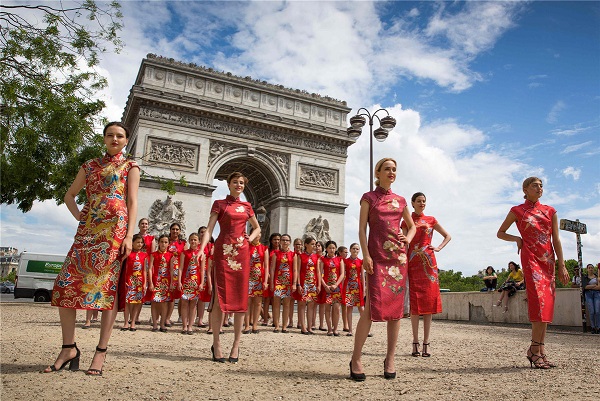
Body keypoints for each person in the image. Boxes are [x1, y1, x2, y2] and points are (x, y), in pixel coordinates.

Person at [44, 121, 140, 376]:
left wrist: (129, 236)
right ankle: (68, 348)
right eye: (110, 135)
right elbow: (69, 195)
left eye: (120, 136)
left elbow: (132, 202)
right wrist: (79, 216)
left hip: (114, 235)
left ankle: (101, 351)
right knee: (65, 285)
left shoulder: (131, 166)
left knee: (107, 290)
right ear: (104, 138)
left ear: (126, 140)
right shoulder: (89, 166)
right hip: (87, 233)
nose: (115, 139)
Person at [351, 157, 415, 381]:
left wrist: (406, 238)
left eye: (394, 169)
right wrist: (366, 255)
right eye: (387, 169)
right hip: (376, 258)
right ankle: (356, 358)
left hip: (398, 260)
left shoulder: (401, 200)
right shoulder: (368, 198)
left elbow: (412, 225)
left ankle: (390, 358)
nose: (392, 172)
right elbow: (361, 230)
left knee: (396, 313)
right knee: (370, 308)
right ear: (377, 173)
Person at [497, 176, 569, 369]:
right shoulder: (517, 211)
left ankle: (539, 350)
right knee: (538, 301)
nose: (539, 189)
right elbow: (500, 232)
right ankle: (534, 350)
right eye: (535, 186)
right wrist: (517, 239)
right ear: (525, 189)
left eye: (541, 186)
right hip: (531, 259)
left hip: (548, 261)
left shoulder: (550, 211)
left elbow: (556, 239)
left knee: (547, 304)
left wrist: (561, 264)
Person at [199, 172, 261, 364]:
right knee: (219, 297)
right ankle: (216, 343)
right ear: (228, 184)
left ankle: (236, 344)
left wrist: (249, 239)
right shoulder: (219, 204)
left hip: (241, 253)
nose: (239, 185)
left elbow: (257, 227)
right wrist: (202, 249)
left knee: (240, 298)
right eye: (235, 182)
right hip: (223, 251)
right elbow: (209, 229)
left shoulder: (247, 206)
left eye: (242, 182)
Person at [401, 192, 451, 358]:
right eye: (419, 201)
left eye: (424, 201)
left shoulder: (431, 219)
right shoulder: (407, 221)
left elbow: (447, 236)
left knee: (429, 303)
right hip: (413, 262)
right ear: (412, 203)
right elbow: (403, 243)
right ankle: (415, 341)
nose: (422, 204)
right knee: (415, 304)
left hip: (429, 264)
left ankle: (426, 343)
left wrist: (438, 247)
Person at [121, 234, 148, 332]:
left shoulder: (144, 255)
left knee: (137, 302)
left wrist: (145, 282)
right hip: (129, 280)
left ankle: (133, 322)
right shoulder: (128, 254)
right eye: (137, 242)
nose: (139, 244)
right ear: (133, 243)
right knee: (127, 302)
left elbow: (145, 270)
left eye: (141, 242)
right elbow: (125, 268)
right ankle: (125, 322)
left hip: (139, 281)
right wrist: (124, 280)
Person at [149, 235, 175, 332]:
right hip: (156, 280)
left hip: (166, 281)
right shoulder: (153, 254)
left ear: (168, 244)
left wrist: (172, 282)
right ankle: (155, 324)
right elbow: (150, 268)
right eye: (162, 242)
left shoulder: (171, 255)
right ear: (158, 243)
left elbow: (172, 270)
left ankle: (162, 323)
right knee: (154, 302)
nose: (163, 244)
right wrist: (151, 282)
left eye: (165, 242)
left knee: (164, 303)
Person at [294, 236, 320, 335]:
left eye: (315, 244)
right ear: (306, 245)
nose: (314, 246)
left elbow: (318, 271)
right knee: (301, 304)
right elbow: (298, 270)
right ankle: (303, 327)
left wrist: (318, 285)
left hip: (312, 283)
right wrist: (298, 284)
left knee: (311, 305)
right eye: (312, 244)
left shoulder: (316, 257)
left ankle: (310, 327)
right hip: (303, 283)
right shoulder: (300, 256)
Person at [319, 240, 345, 336]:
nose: (332, 249)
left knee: (336, 309)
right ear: (326, 249)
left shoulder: (340, 259)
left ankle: (335, 328)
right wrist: (325, 286)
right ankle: (329, 328)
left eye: (333, 248)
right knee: (327, 309)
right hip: (326, 287)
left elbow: (342, 274)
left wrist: (336, 285)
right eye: (330, 248)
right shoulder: (323, 260)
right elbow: (319, 273)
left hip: (337, 287)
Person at [270, 234, 295, 333]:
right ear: (280, 242)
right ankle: (276, 325)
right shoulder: (275, 254)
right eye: (283, 240)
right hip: (278, 281)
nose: (285, 242)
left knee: (286, 304)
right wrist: (271, 282)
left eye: (287, 240)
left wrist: (294, 283)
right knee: (276, 304)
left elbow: (295, 270)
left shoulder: (293, 255)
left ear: (290, 242)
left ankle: (284, 326)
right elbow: (272, 269)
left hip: (288, 282)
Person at [244, 237, 269, 334]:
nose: (257, 236)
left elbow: (266, 266)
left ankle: (255, 325)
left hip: (259, 277)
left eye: (259, 234)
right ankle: (246, 325)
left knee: (258, 302)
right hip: (248, 277)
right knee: (247, 302)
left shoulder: (264, 248)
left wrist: (266, 280)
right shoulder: (246, 247)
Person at [179, 233, 202, 335]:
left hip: (195, 282)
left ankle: (190, 326)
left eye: (195, 240)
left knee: (193, 304)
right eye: (191, 240)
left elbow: (202, 270)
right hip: (186, 281)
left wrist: (201, 283)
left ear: (198, 242)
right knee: (184, 303)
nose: (193, 242)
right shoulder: (184, 253)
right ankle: (184, 325)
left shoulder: (201, 254)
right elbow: (180, 268)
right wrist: (179, 281)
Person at [166, 222, 186, 327]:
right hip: (165, 270)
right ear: (170, 230)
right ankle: (164, 317)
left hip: (178, 271)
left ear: (180, 231)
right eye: (173, 229)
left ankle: (177, 316)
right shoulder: (166, 241)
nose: (175, 231)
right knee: (167, 295)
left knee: (176, 295)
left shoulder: (183, 243)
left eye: (177, 229)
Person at [342, 243, 364, 337]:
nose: (355, 250)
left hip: (358, 286)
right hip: (348, 286)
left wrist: (365, 289)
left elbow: (362, 276)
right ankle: (350, 330)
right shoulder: (345, 261)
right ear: (350, 250)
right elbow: (343, 275)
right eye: (354, 248)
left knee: (361, 309)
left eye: (357, 249)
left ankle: (365, 329)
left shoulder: (361, 261)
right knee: (349, 308)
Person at [261, 233, 281, 326]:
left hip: (279, 277)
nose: (276, 241)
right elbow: (265, 263)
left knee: (275, 300)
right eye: (274, 239)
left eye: (278, 239)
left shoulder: (282, 252)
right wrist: (267, 273)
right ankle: (265, 318)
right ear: (271, 241)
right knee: (266, 299)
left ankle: (275, 319)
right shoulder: (268, 251)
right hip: (269, 276)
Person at [582, 263, 599, 334]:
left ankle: (598, 327)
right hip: (588, 294)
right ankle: (592, 327)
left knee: (597, 311)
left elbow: (599, 287)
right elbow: (585, 287)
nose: (591, 269)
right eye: (589, 268)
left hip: (597, 294)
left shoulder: (597, 277)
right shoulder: (585, 277)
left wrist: (590, 286)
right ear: (587, 269)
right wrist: (594, 286)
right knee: (591, 311)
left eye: (592, 268)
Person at [315, 241, 327, 331]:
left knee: (322, 304)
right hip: (313, 281)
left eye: (319, 245)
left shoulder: (324, 259)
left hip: (322, 282)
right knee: (313, 304)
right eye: (316, 245)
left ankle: (321, 324)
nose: (317, 247)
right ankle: (312, 323)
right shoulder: (313, 257)